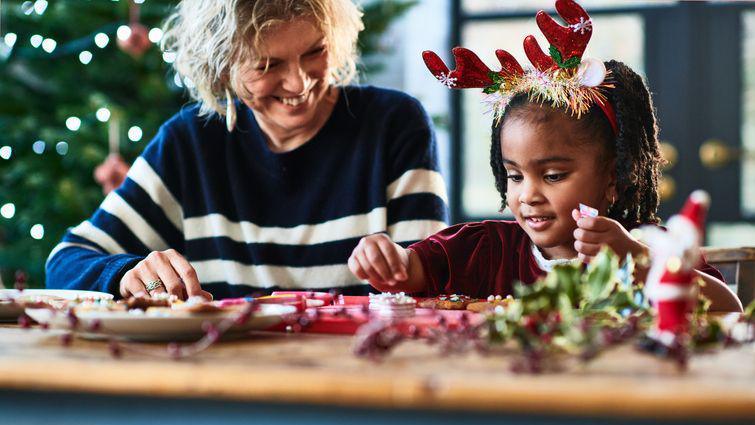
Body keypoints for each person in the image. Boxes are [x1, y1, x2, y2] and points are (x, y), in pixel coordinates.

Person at [348, 0, 742, 312]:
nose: (528, 195)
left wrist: (637, 261)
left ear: (613, 176)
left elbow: (727, 308)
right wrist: (388, 262)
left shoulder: (650, 247)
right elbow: (411, 272)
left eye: (553, 175)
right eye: (515, 176)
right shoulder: (484, 248)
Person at [46, 0, 448, 300]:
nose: (300, 83)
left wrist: (404, 268)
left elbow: (432, 283)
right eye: (267, 65)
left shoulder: (394, 125)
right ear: (221, 67)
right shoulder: (189, 144)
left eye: (315, 51)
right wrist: (127, 273)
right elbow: (65, 262)